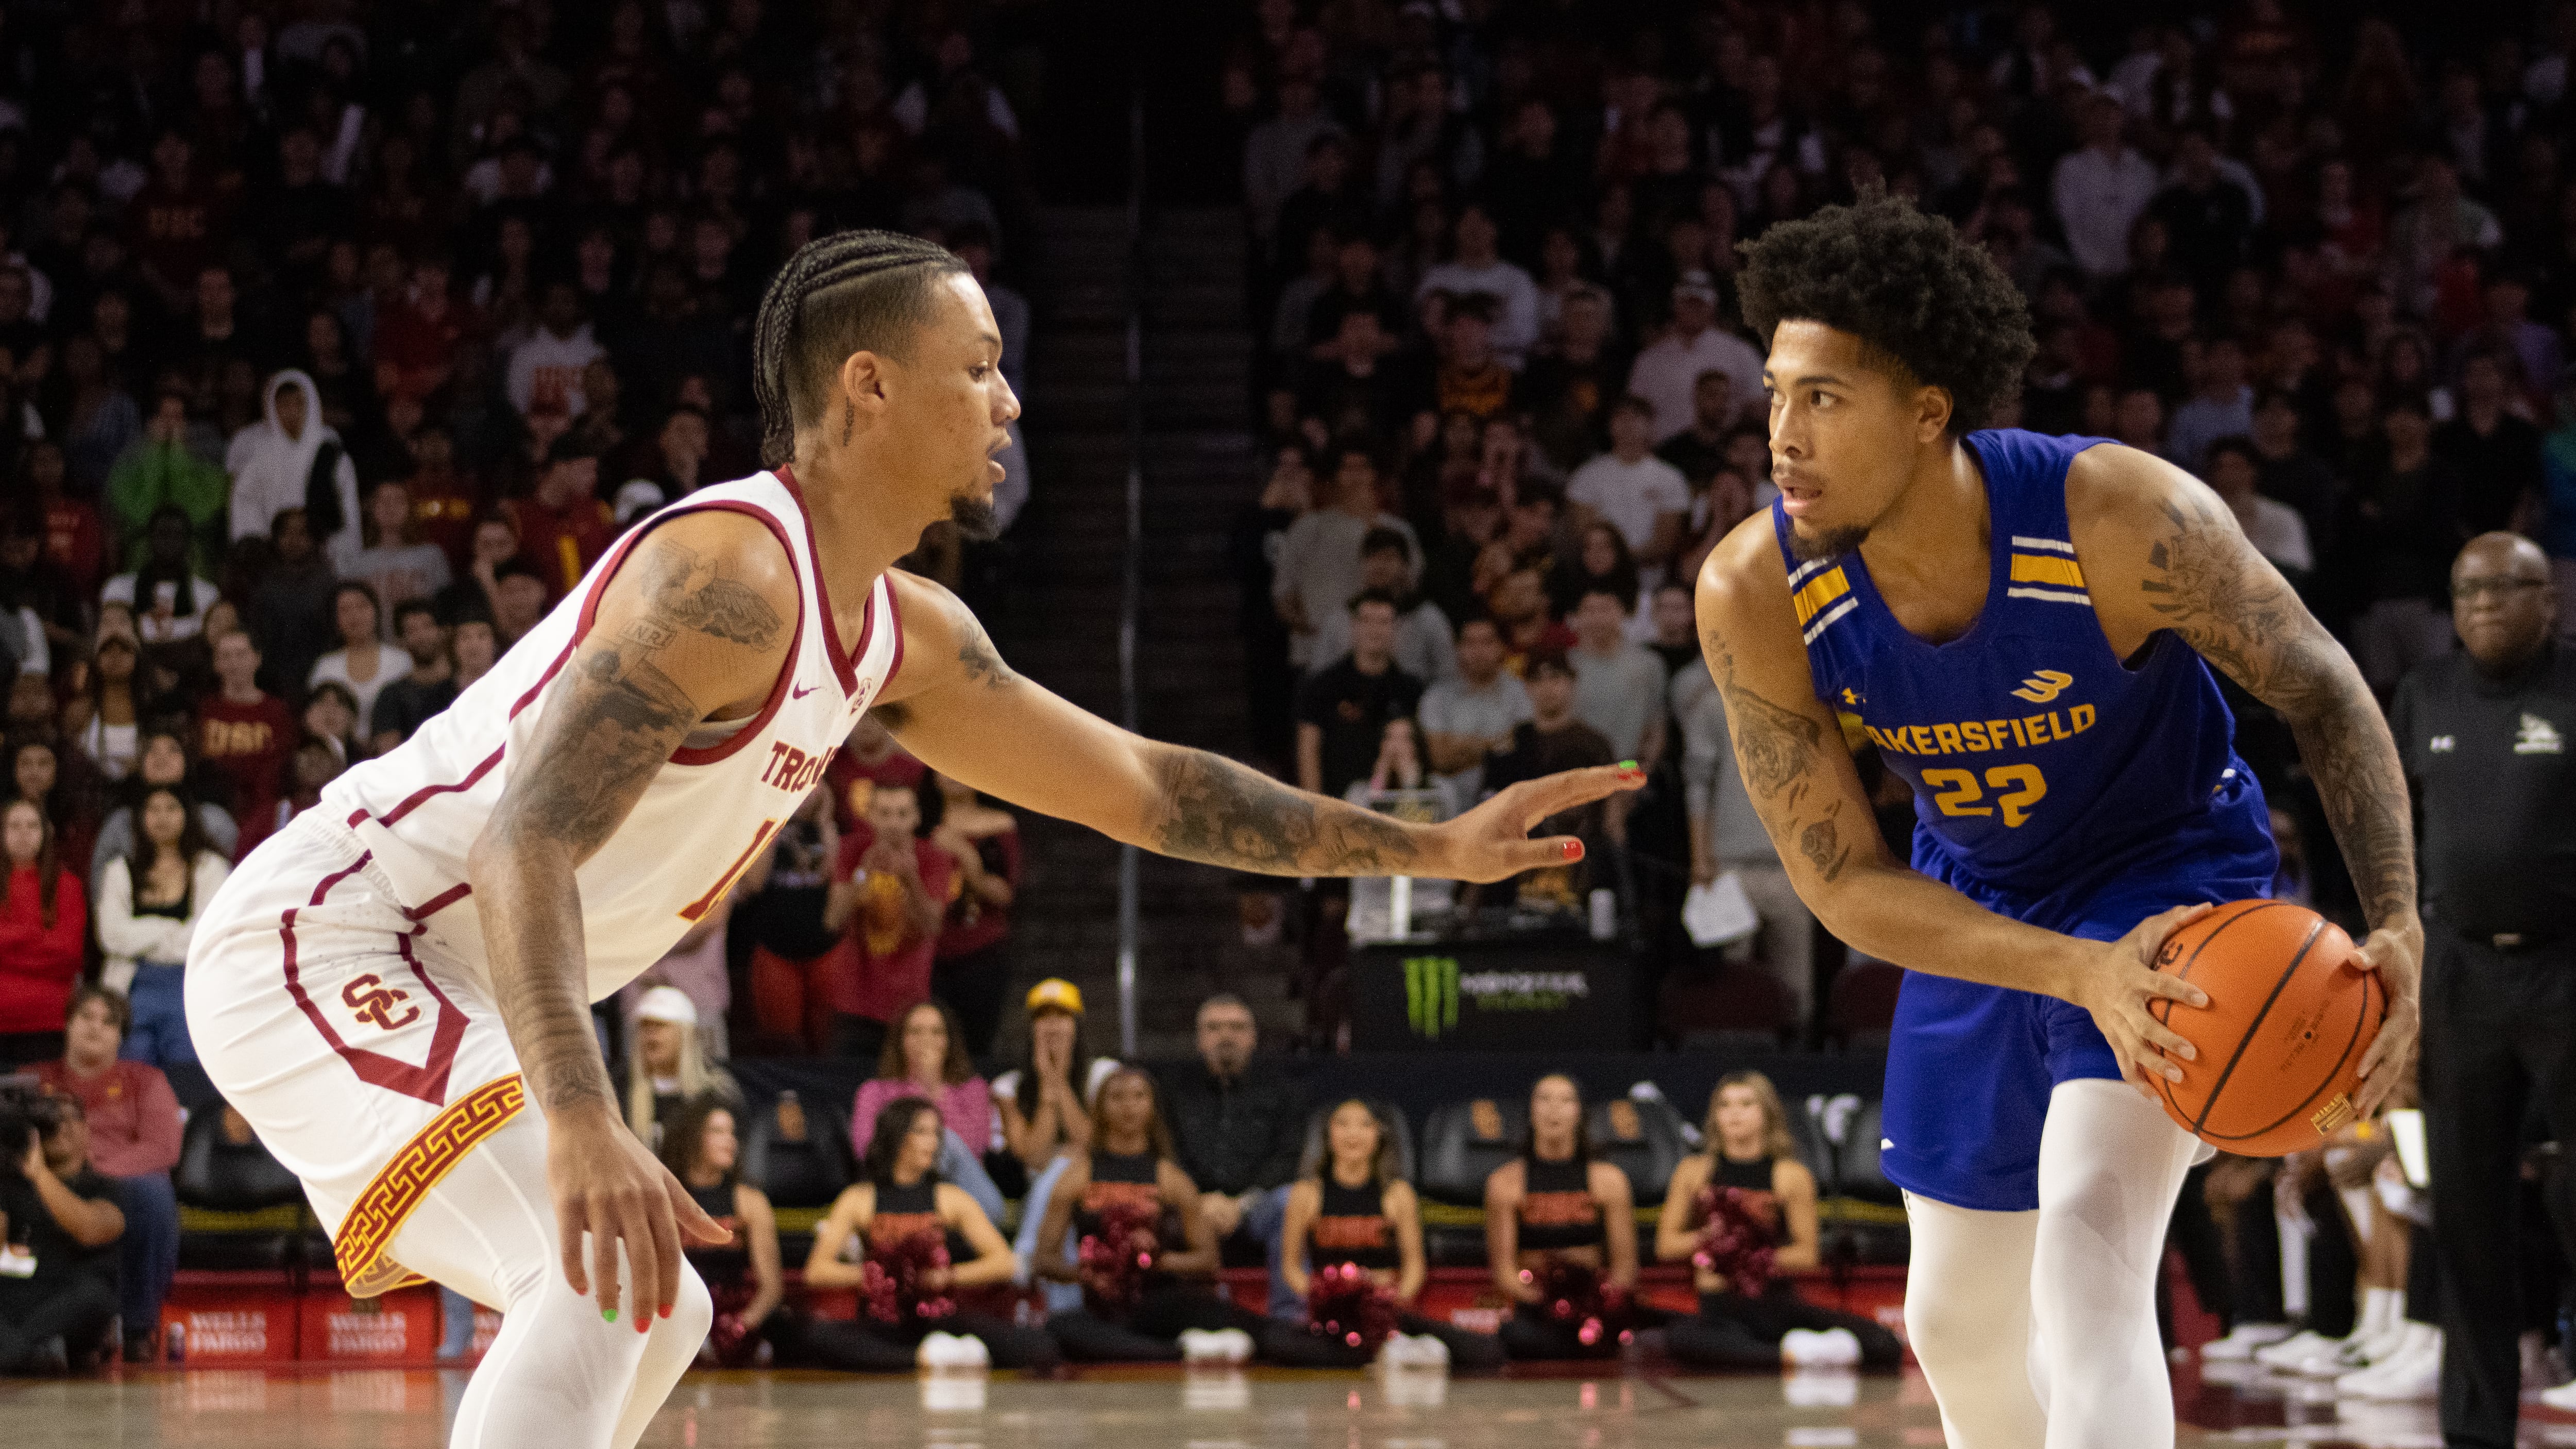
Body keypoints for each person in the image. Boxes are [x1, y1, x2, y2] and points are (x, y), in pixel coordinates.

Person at [186, 231, 1629, 1443]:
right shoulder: (727, 574)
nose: (1009, 401)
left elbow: (1148, 788)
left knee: (656, 1301)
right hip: (339, 934)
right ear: (869, 385)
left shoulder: (901, 633)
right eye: (982, 366)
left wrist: (1430, 852)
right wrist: (579, 1114)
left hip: (460, 973)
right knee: (586, 1272)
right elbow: (521, 845)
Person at [1694, 194, 2419, 1445]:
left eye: (1824, 399)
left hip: (2172, 881)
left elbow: (2324, 689)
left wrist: (2399, 914)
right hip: (1977, 906)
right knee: (1956, 1318)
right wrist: (2069, 968)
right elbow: (1841, 881)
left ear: (1928, 412)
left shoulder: (2115, 517)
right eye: (1774, 393)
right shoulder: (1755, 587)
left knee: (2085, 1250)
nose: (1782, 434)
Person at [2387, 533, 2576, 1442]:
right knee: (2462, 1205)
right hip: (2460, 970)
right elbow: (2390, 834)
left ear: (2552, 598)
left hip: (2566, 964)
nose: (2486, 602)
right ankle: (2474, 1427)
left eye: (2507, 586)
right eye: (2467, 589)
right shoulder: (2425, 693)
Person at [1036, 1067, 1284, 1362]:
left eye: (1139, 1097)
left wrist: (1155, 1262)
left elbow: (1208, 1259)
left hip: (1164, 1305)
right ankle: (1175, 1352)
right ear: (1100, 1108)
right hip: (1103, 1313)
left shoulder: (1171, 1179)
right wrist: (1092, 1273)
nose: (1129, 1106)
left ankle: (1288, 1340)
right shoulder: (1076, 1176)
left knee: (1211, 1313)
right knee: (1059, 1327)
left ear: (1153, 1107)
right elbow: (1044, 1260)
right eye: (1117, 1097)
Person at [795, 1097, 1060, 1372]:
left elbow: (1004, 1263)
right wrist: (871, 1275)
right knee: (816, 1337)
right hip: (882, 1326)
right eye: (922, 1132)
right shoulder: (859, 1199)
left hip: (938, 1321)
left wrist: (948, 1276)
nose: (933, 1141)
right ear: (896, 1137)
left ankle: (933, 1354)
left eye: (936, 1133)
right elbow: (816, 1271)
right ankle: (924, 1358)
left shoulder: (949, 1197)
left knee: (1039, 1345)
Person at [1657, 1073, 1902, 1370]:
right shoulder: (1694, 1171)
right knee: (1681, 1338)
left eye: (1747, 1104)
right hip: (1718, 1310)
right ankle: (1792, 1356)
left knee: (1883, 1343)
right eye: (1725, 1105)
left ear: (1767, 1113)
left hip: (1775, 1305)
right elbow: (1667, 1246)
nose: (1734, 1113)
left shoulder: (1791, 1175)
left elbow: (1807, 1255)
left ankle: (1788, 1352)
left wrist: (1750, 1255)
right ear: (1714, 1116)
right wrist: (1716, 1237)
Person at [1270, 1098, 1505, 1370]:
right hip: (1330, 1320)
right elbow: (1290, 1267)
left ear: (1378, 1136)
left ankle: (1383, 1350)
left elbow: (1415, 1266)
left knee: (1486, 1351)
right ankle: (1387, 1355)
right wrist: (1321, 1296)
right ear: (1327, 1134)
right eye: (1342, 1124)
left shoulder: (1398, 1195)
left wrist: (1389, 1303)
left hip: (1384, 1313)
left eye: (1365, 1125)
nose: (1353, 1133)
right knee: (1279, 1344)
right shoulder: (1306, 1194)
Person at [33, 986, 184, 1361]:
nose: (96, 1028)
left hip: (118, 1182)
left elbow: (163, 1148)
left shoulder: (144, 1081)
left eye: (109, 1022)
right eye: (86, 1017)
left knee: (153, 1193)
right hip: (49, 1181)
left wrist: (95, 1169)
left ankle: (138, 1329)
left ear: (121, 1036)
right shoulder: (34, 1080)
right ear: (67, 1025)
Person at [1485, 1074, 1639, 1359]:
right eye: (1543, 1099)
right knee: (1516, 1336)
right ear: (1530, 1111)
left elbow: (1626, 1266)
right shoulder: (1504, 1182)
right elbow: (1504, 1271)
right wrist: (1548, 1303)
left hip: (1595, 1308)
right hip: (1535, 1307)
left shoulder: (1609, 1180)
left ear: (1580, 1112)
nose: (1553, 1109)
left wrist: (1596, 1305)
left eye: (1566, 1100)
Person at [96, 785, 229, 1074]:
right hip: (131, 989)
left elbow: (207, 935)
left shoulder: (211, 867)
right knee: (132, 1076)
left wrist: (143, 934)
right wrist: (170, 928)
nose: (162, 818)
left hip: (189, 988)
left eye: (171, 809)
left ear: (187, 815)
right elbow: (112, 935)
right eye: (153, 810)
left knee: (189, 1078)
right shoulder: (120, 869)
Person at [822, 781, 957, 1065]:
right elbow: (833, 919)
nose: (894, 823)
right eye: (884, 814)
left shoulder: (934, 859)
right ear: (870, 815)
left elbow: (933, 927)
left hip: (909, 1009)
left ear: (917, 817)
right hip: (854, 1005)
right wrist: (863, 873)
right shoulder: (851, 850)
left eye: (902, 814)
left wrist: (911, 880)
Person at [0, 1090, 123, 1373]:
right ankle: (26, 1354)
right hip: (19, 1292)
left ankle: (19, 1353)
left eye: (72, 1119)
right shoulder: (11, 1185)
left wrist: (40, 1173)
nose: (62, 1127)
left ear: (88, 1132)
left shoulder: (104, 1187)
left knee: (94, 1295)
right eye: (54, 1120)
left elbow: (92, 1230)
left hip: (71, 1295)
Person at [849, 999, 1003, 1223]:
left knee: (945, 1140)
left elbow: (976, 1144)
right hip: (893, 1189)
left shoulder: (973, 1089)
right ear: (901, 1041)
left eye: (936, 1032)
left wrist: (932, 1088)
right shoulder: (874, 1091)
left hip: (963, 1190)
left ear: (948, 1042)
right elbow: (865, 1149)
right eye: (916, 1031)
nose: (926, 1040)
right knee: (922, 1141)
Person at [659, 1097, 785, 1366]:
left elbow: (772, 1288)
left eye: (732, 1133)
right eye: (717, 1131)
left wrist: (740, 1326)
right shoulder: (665, 1199)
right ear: (692, 1137)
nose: (730, 1141)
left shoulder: (750, 1201)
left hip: (737, 1322)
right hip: (677, 1323)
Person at [1295, 591, 1428, 801]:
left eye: (1384, 622)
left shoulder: (1412, 689)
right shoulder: (1322, 685)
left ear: (1396, 629)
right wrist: (1316, 810)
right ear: (1354, 627)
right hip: (1339, 806)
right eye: (1367, 621)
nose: (1375, 630)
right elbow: (1308, 751)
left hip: (1399, 806)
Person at [226, 369, 361, 568]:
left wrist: (342, 552)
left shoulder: (329, 450)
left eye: (299, 403)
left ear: (311, 404)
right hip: (273, 558)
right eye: (284, 405)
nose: (292, 412)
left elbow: (347, 507)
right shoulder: (261, 454)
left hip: (325, 556)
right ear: (273, 407)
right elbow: (245, 506)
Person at [927, 772, 1019, 1063]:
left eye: (959, 767)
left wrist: (966, 856)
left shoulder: (1000, 825)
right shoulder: (920, 823)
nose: (952, 775)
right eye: (943, 766)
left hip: (982, 953)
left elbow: (1005, 894)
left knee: (979, 1047)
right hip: (928, 954)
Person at [89, 727, 240, 885]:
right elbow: (100, 885)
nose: (161, 758)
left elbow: (238, 880)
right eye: (152, 750)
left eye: (173, 750)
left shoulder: (215, 821)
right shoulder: (120, 824)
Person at [1568, 397, 1692, 584]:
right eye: (1621, 417)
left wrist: (1628, 559)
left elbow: (1667, 540)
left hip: (1650, 580)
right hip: (1598, 577)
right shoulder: (1587, 475)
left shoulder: (1671, 478)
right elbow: (1583, 532)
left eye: (1636, 417)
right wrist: (1610, 561)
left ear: (1650, 426)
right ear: (1610, 426)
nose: (1628, 424)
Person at [0, 798, 84, 1069]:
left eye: (32, 826)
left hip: (49, 1021)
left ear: (45, 832)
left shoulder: (67, 885)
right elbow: (53, 948)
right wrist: (33, 934)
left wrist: (10, 942)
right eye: (14, 826)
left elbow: (68, 954)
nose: (23, 835)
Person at [195, 630, 297, 852]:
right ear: (216, 664)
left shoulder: (277, 712)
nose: (234, 664)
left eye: (241, 655)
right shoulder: (204, 710)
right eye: (226, 656)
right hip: (215, 813)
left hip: (265, 818)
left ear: (257, 659)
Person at [1419, 615, 1532, 803]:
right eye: (1470, 643)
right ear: (1458, 649)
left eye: (1487, 643)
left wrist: (1461, 744)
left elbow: (1522, 750)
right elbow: (1440, 760)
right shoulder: (1436, 697)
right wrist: (1494, 746)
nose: (1478, 651)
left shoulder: (1522, 693)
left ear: (1501, 647)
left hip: (1508, 797)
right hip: (1452, 802)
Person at [620, 985, 738, 1155]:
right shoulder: (620, 1091)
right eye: (645, 1026)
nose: (651, 1034)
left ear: (686, 1034)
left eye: (661, 1025)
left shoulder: (716, 1093)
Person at [1568, 589, 1666, 764]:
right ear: (1577, 618)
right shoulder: (1567, 666)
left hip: (1628, 769)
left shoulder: (1648, 664)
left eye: (1605, 609)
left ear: (1623, 613)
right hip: (1579, 772)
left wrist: (1642, 773)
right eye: (1590, 611)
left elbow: (1656, 725)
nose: (1598, 618)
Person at [307, 581, 416, 733]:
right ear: (336, 620)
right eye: (345, 610)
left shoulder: (401, 660)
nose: (355, 615)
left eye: (362, 606)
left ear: (376, 611)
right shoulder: (325, 667)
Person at [367, 601, 458, 752]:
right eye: (412, 630)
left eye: (427, 627)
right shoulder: (391, 696)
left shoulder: (465, 686)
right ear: (400, 641)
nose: (422, 636)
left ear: (444, 631)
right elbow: (389, 755)